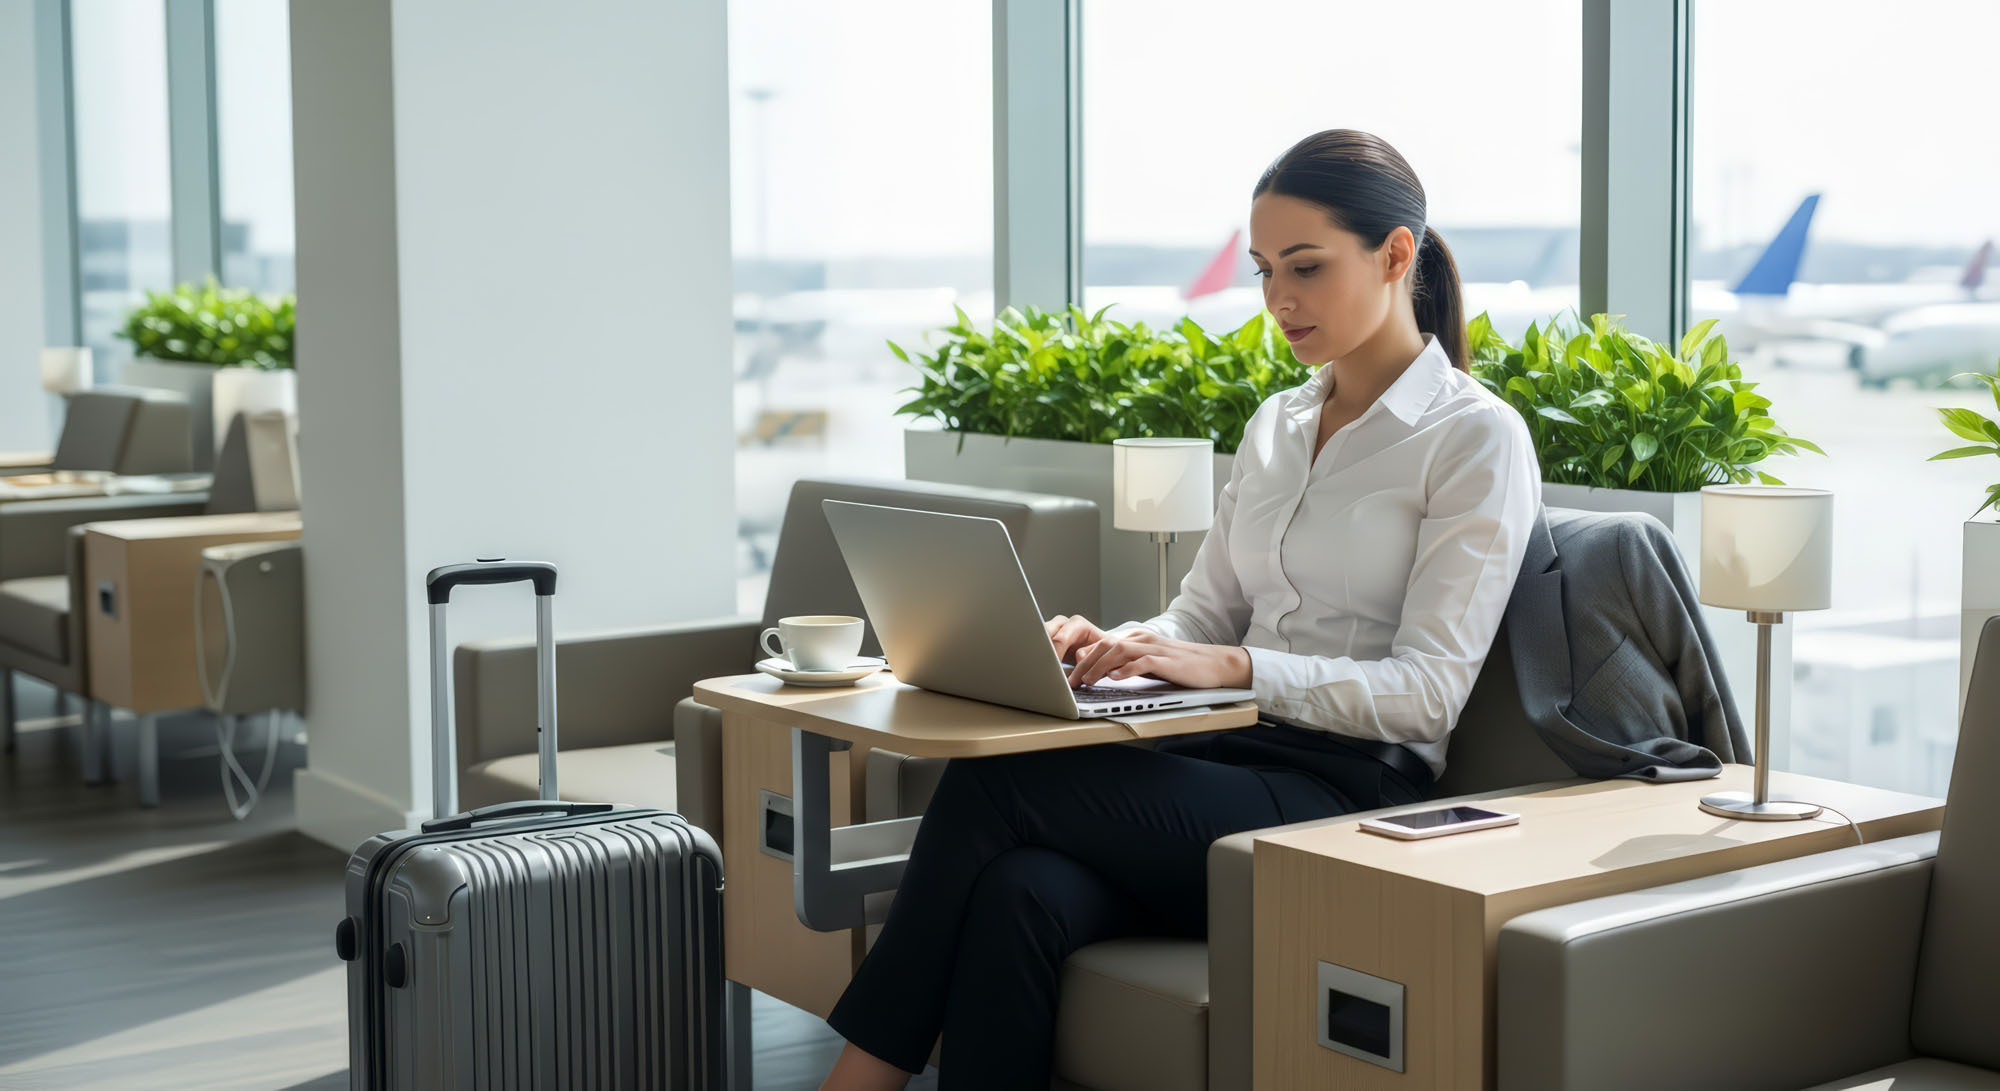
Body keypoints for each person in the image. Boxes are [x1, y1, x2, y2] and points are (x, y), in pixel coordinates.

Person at [819, 129, 1542, 1091]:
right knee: (1016, 887)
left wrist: (1242, 669)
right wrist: (1124, 643)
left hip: (1351, 799)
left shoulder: (1474, 438)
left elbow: (1427, 696)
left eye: (1307, 267)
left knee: (995, 789)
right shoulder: (1276, 423)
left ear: (1396, 255)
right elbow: (1205, 611)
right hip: (1220, 766)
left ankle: (853, 1082)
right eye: (1264, 270)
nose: (1279, 300)